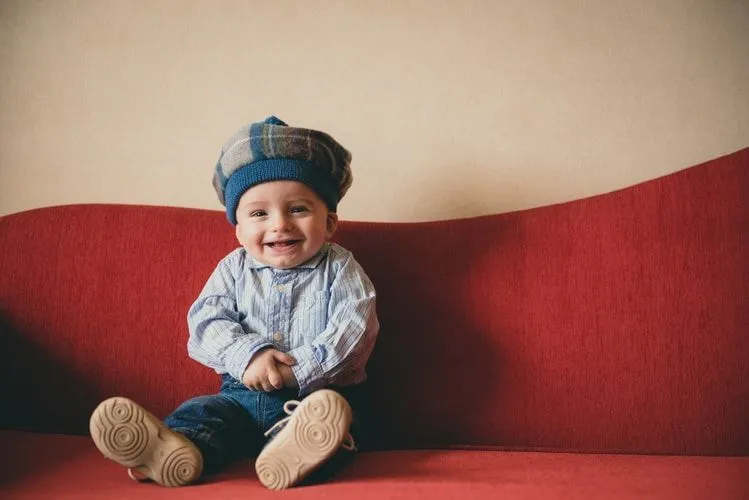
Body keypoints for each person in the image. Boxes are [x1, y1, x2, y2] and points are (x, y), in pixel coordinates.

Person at [89, 116, 379, 490]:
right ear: (239, 231)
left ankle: (298, 453)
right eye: (260, 213)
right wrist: (249, 354)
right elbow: (206, 321)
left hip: (313, 399)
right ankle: (176, 450)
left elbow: (354, 328)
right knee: (202, 413)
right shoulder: (232, 269)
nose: (279, 224)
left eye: (298, 209)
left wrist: (299, 370)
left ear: (330, 222)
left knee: (334, 424)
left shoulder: (340, 268)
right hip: (240, 398)